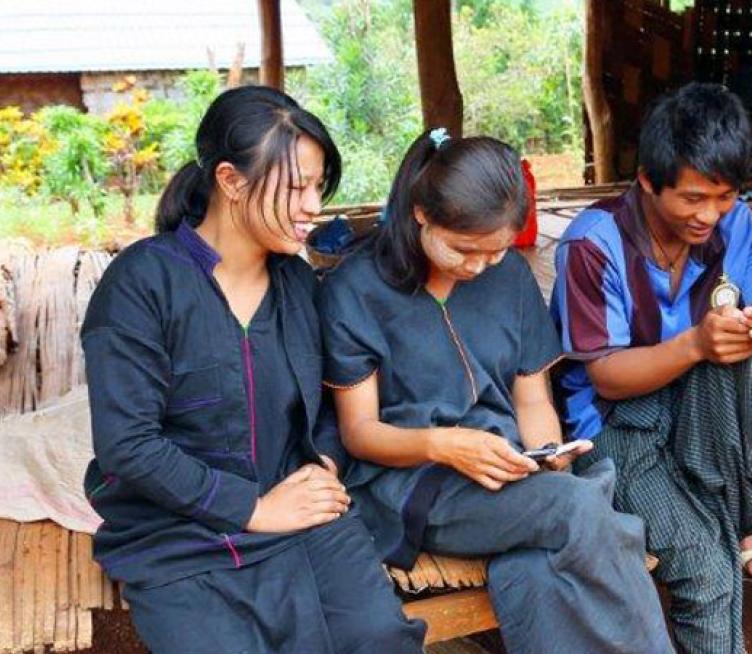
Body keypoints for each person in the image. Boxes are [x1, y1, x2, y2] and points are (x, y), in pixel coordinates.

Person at [81, 86, 424, 653]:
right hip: (175, 534)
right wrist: (253, 508)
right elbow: (128, 445)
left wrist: (324, 464)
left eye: (318, 186)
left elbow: (326, 402)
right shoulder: (142, 284)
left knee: (380, 637)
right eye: (295, 187)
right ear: (231, 181)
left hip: (299, 511)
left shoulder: (296, 282)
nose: (313, 206)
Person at [320, 129, 672, 654]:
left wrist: (549, 456)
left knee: (539, 560)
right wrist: (444, 445)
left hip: (509, 474)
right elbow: (359, 432)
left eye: (496, 251)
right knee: (581, 508)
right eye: (464, 249)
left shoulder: (508, 276)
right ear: (421, 212)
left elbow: (533, 400)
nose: (478, 266)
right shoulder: (356, 288)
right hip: (414, 485)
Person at [550, 82, 752, 654]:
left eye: (724, 196)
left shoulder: (738, 226)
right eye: (692, 198)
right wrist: (694, 345)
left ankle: (731, 507)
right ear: (647, 180)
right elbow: (605, 377)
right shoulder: (592, 245)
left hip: (700, 418)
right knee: (709, 572)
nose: (708, 214)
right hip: (614, 426)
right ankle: (737, 515)